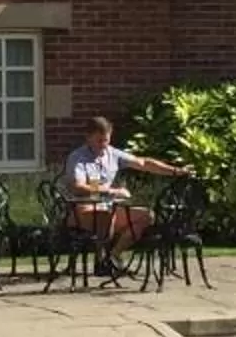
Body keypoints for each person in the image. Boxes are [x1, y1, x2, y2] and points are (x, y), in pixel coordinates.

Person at [62, 116, 193, 273]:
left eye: (106, 140)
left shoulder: (113, 154)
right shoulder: (78, 158)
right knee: (105, 215)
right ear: (88, 138)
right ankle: (100, 260)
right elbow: (78, 187)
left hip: (108, 207)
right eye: (99, 141)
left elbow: (143, 163)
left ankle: (113, 257)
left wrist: (175, 171)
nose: (103, 146)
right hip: (82, 209)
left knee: (146, 216)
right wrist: (111, 191)